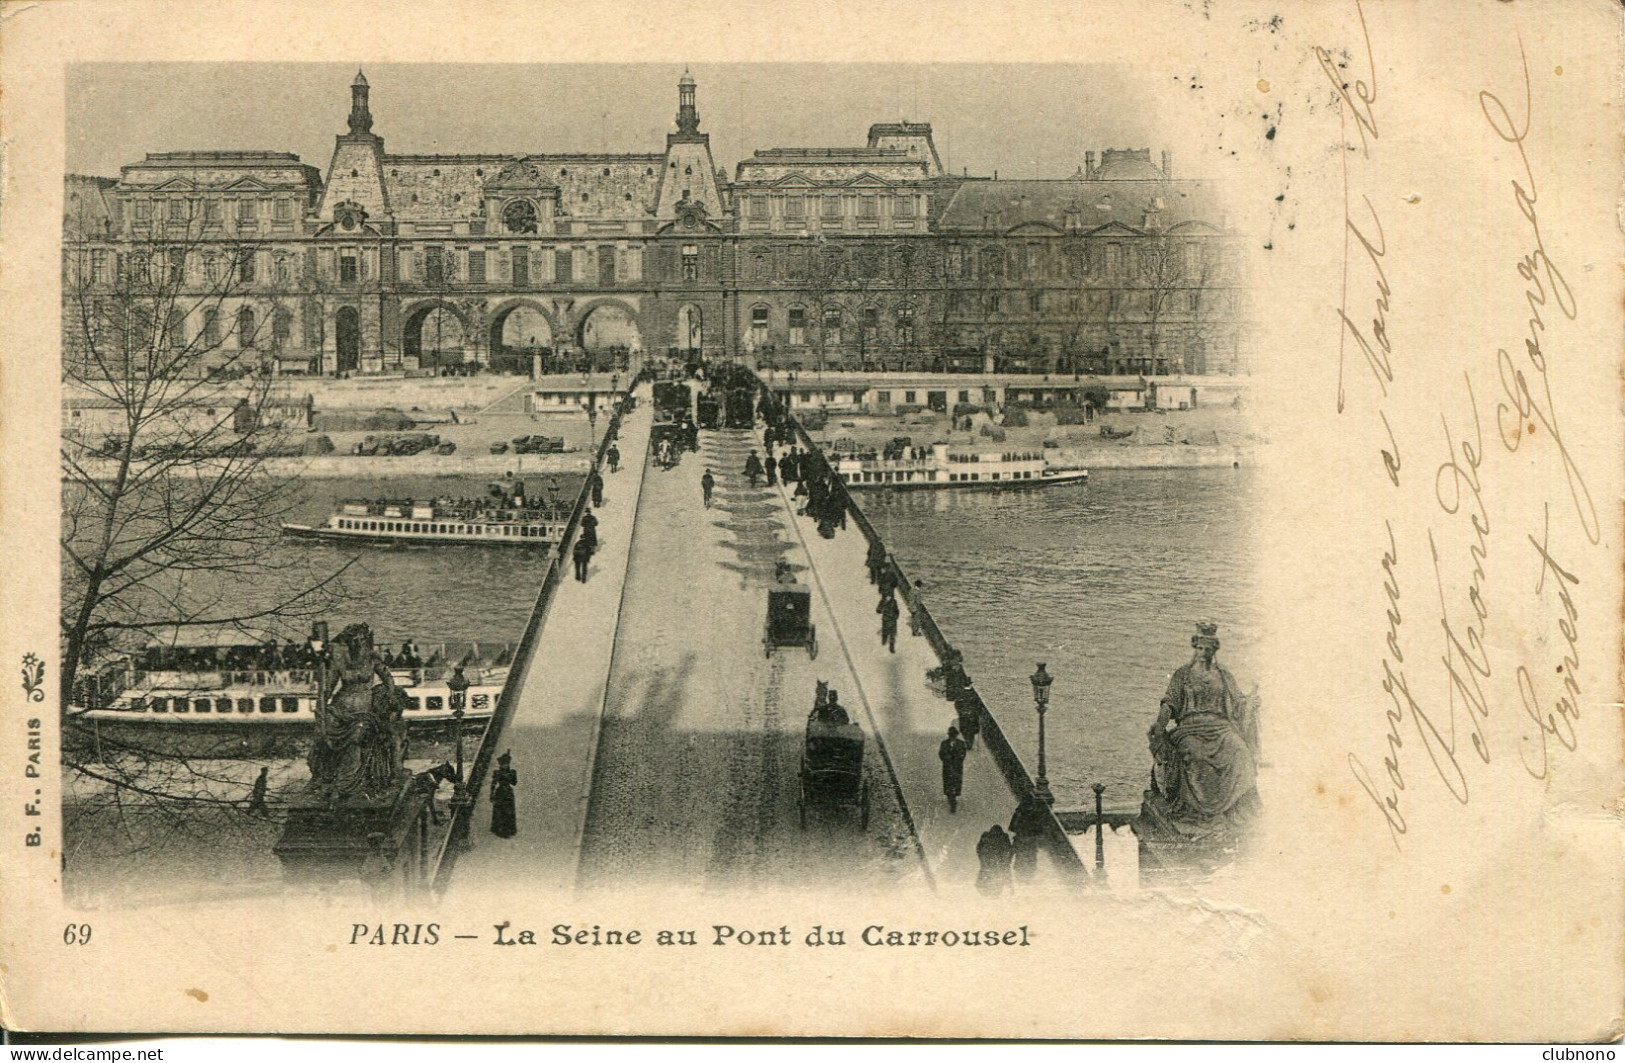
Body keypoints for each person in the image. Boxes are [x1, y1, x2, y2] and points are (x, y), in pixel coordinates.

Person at [1148, 621, 1261, 827]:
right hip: (1190, 729)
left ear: (1213, 651)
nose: (1203, 653)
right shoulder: (1183, 674)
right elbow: (1169, 702)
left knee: (1240, 752)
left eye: (1208, 649)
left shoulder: (1223, 675)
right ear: (1195, 648)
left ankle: (1238, 809)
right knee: (1196, 756)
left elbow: (1238, 703)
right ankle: (1200, 813)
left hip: (1221, 728)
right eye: (1200, 648)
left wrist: (1250, 704)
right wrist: (1159, 726)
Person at [1008, 792, 1049, 883]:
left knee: (1022, 861)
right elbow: (1040, 831)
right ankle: (1026, 879)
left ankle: (1022, 878)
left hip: (1022, 842)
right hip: (1030, 844)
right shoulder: (1036, 814)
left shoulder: (1019, 813)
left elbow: (1012, 827)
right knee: (1028, 862)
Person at [976, 824, 1015, 896]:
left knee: (987, 875)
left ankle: (987, 892)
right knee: (997, 875)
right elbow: (1008, 849)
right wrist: (1006, 860)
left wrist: (982, 857)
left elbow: (979, 848)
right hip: (998, 861)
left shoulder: (986, 836)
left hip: (988, 860)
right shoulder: (1003, 837)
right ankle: (995, 892)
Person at [939, 725, 968, 813]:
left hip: (957, 767)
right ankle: (951, 798)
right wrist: (946, 759)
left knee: (955, 783)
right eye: (951, 735)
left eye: (953, 735)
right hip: (947, 767)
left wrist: (957, 759)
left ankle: (953, 798)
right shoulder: (944, 743)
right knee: (948, 783)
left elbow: (963, 754)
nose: (952, 737)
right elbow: (941, 754)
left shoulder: (961, 743)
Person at [490, 751, 518, 839]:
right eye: (503, 764)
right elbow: (493, 784)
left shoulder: (512, 772)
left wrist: (510, 775)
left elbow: (514, 783)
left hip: (508, 792)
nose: (504, 766)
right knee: (500, 811)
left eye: (506, 764)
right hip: (500, 792)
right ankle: (500, 829)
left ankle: (509, 829)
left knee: (509, 811)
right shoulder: (497, 772)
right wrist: (491, 794)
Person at [955, 676, 981, 749]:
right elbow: (978, 705)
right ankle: (972, 744)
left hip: (963, 715)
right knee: (973, 730)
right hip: (973, 715)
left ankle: (967, 743)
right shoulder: (974, 694)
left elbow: (957, 704)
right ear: (970, 685)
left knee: (964, 729)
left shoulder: (960, 693)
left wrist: (960, 712)